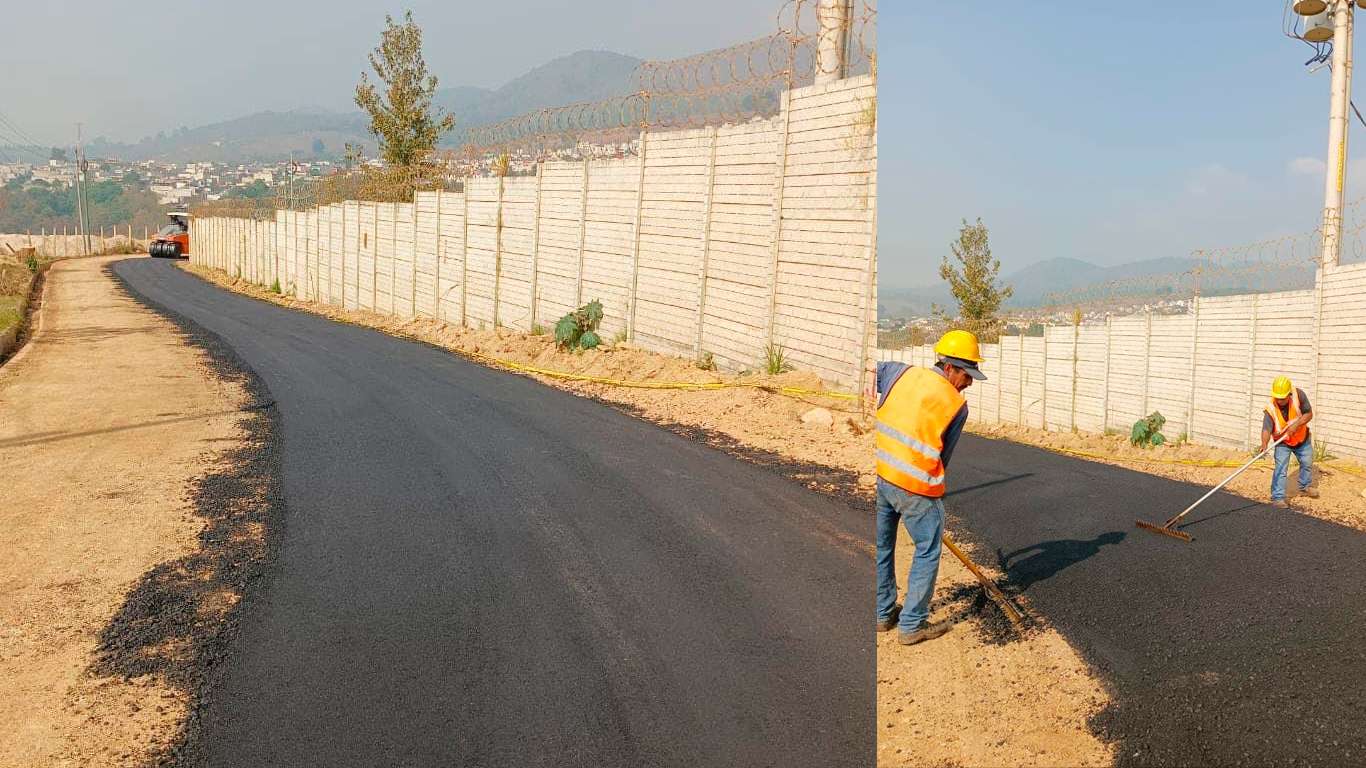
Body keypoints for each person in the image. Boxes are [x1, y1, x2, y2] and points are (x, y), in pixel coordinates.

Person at [875, 329, 985, 645]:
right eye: (967, 374)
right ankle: (911, 625)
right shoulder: (956, 406)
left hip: (881, 476)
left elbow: (874, 375)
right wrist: (933, 501)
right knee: (927, 549)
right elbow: (943, 458)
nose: (970, 383)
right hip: (916, 489)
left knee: (883, 547)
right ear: (949, 367)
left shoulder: (898, 372)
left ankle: (883, 615)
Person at [1259, 376, 1317, 508]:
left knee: (1307, 463)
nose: (1279, 401)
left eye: (1282, 398)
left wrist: (1296, 425)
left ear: (1289, 394)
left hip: (1302, 438)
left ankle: (1305, 487)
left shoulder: (1299, 395)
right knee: (1281, 468)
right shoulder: (1270, 408)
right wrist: (1264, 444)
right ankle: (1278, 497)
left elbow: (1309, 414)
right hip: (1282, 442)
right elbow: (1266, 429)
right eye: (1277, 398)